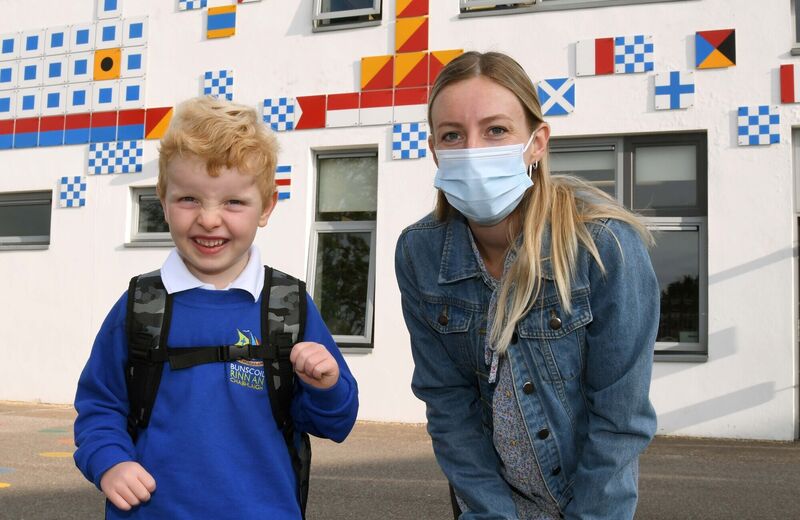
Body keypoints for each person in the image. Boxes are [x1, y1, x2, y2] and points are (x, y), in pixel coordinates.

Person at [394, 51, 659, 519]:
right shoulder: (419, 253)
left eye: (496, 130)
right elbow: (449, 408)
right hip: (489, 506)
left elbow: (619, 422)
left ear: (536, 142)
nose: (473, 151)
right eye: (453, 135)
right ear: (434, 151)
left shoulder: (604, 246)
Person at [73, 96, 359, 519]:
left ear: (267, 207)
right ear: (163, 200)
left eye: (233, 202)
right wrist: (111, 463)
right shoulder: (139, 306)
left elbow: (334, 423)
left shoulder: (288, 305)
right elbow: (99, 408)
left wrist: (326, 384)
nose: (208, 219)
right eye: (189, 199)